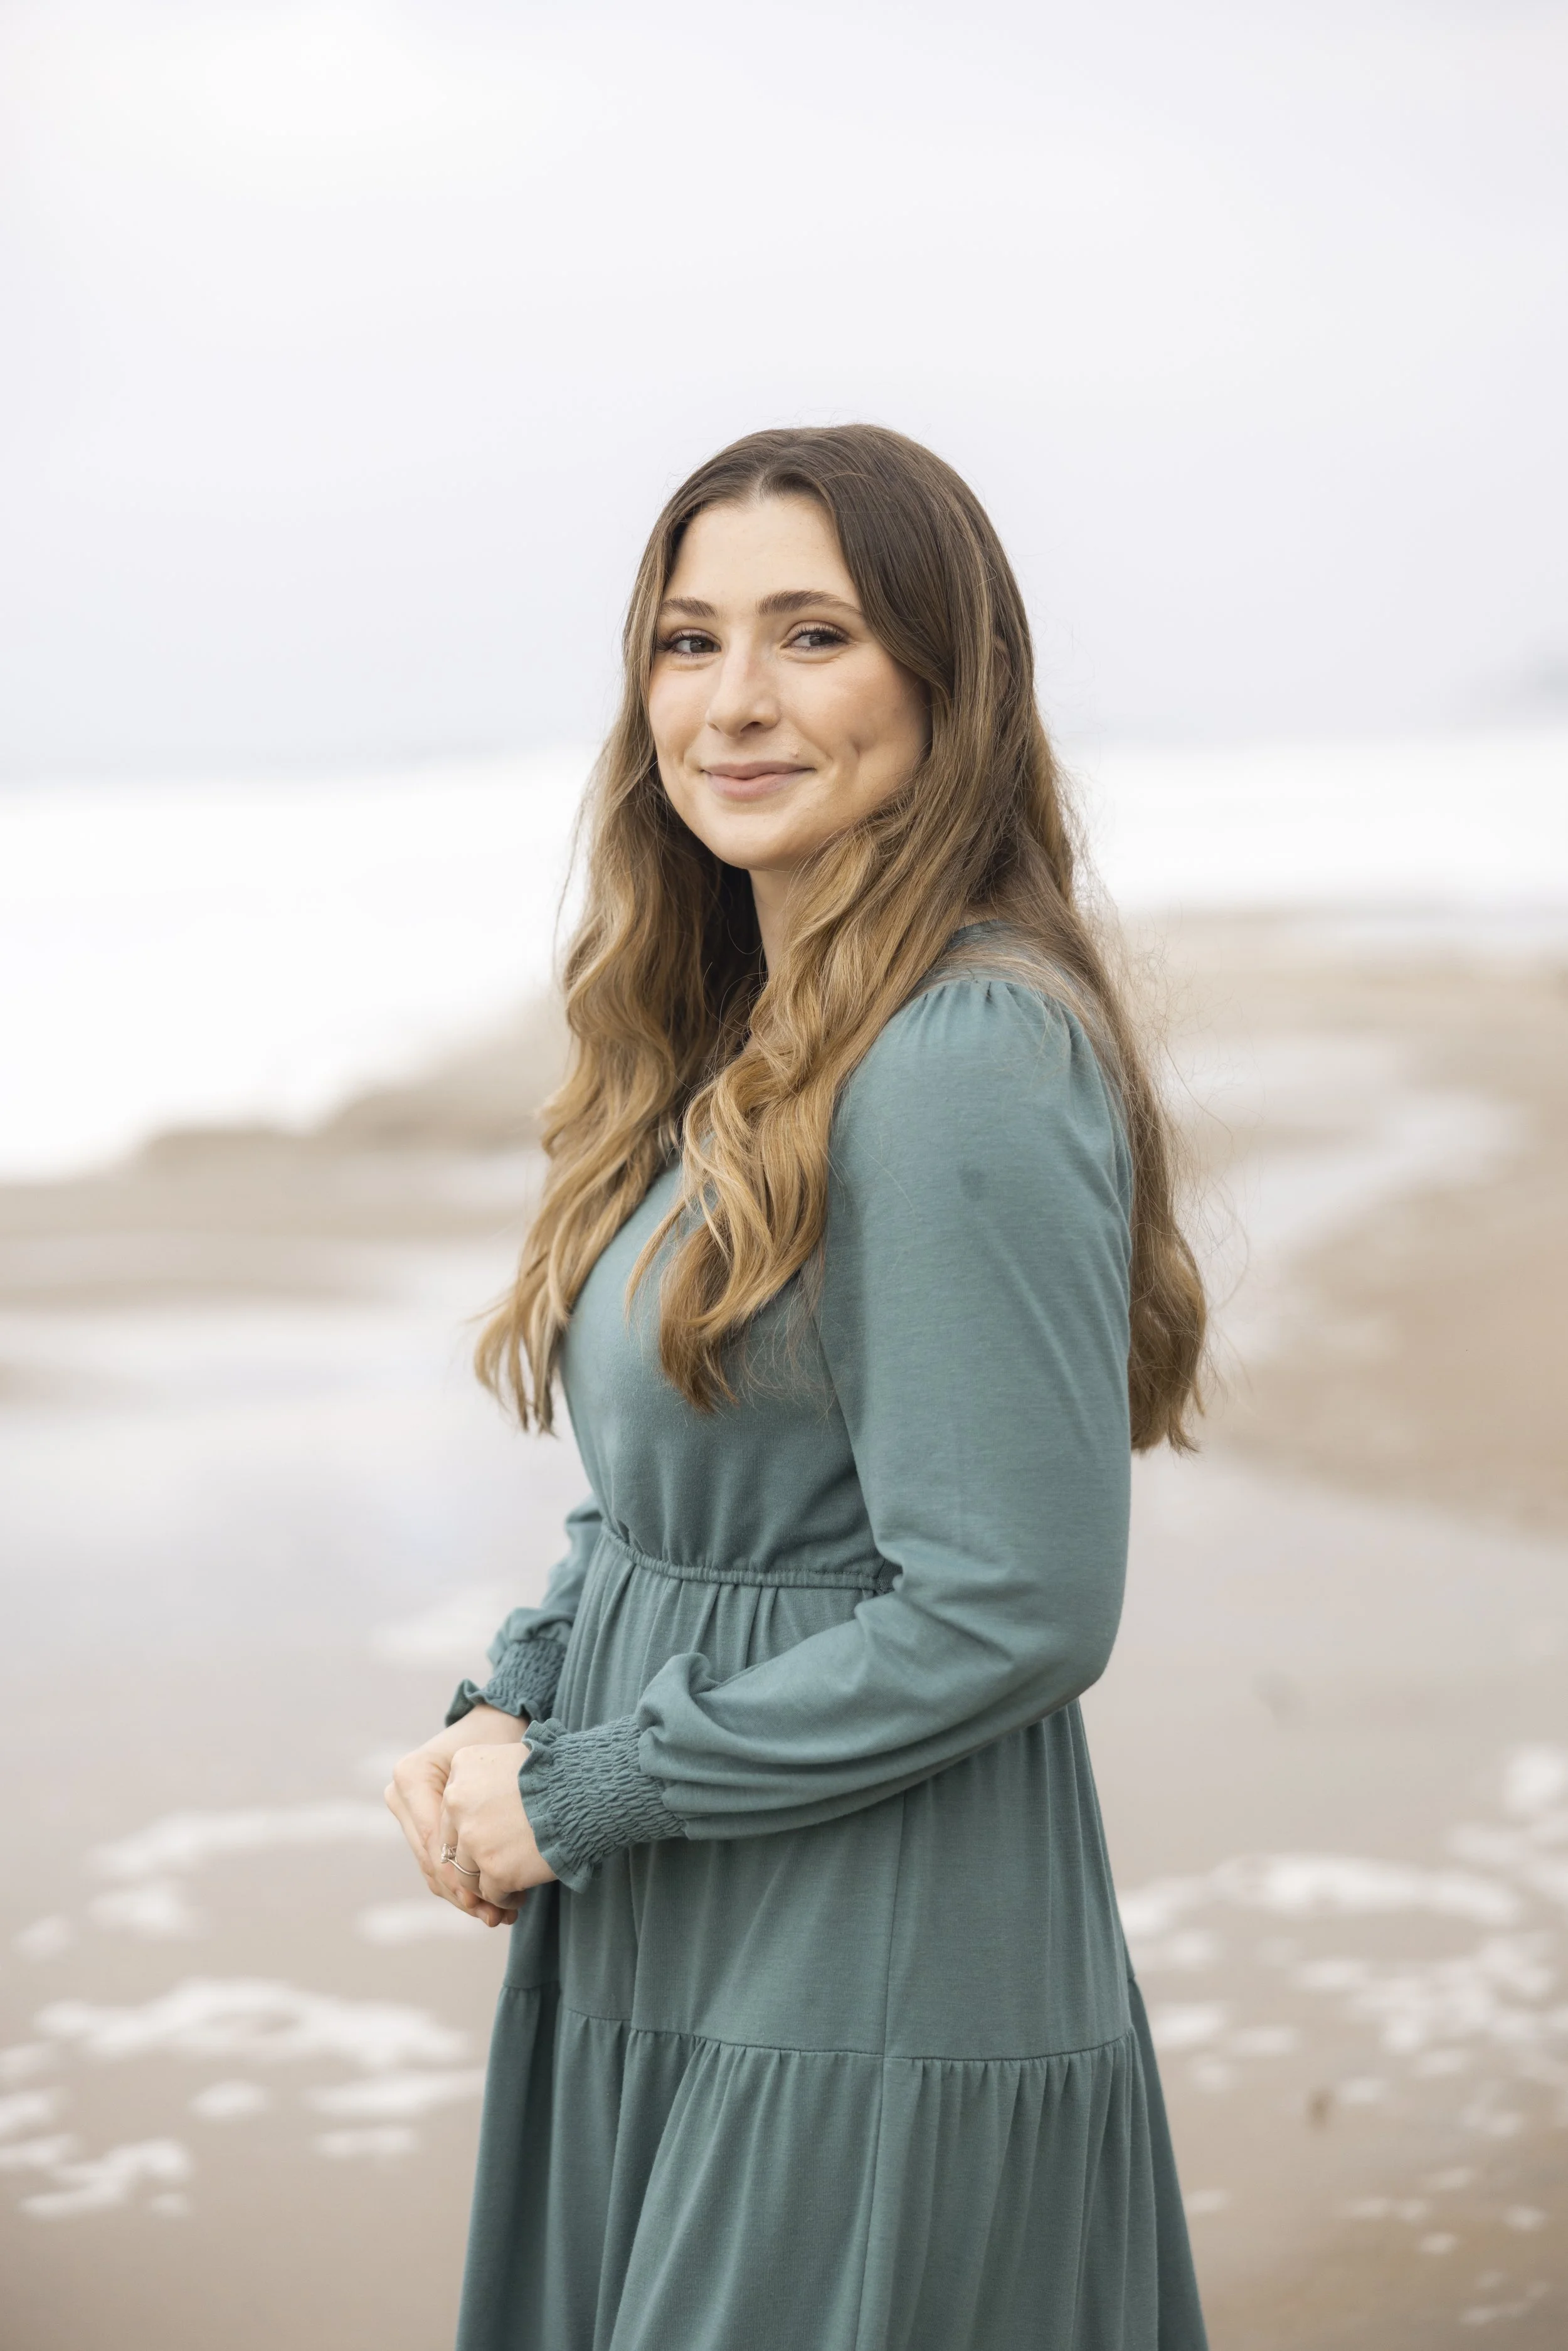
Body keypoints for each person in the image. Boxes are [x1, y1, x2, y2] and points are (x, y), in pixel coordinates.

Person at [386, 423, 1210, 2351]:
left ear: (948, 680)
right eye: (687, 641)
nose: (733, 701)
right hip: (674, 1908)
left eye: (812, 634)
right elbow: (671, 1489)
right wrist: (514, 1693)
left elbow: (1013, 1604)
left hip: (865, 1952)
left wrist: (586, 1783)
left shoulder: (959, 1054)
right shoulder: (753, 1041)